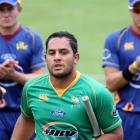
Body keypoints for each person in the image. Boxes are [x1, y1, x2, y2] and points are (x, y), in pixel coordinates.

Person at [11, 31, 123, 140]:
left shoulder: (96, 93)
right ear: (45, 58)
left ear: (76, 57)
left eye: (63, 52)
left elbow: (116, 134)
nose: (57, 57)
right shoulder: (31, 87)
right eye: (51, 53)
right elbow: (27, 119)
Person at [0, 0, 46, 139]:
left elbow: (39, 79)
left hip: (26, 113)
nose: (6, 14)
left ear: (19, 10)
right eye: (2, 10)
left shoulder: (32, 38)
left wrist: (14, 75)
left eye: (10, 9)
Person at [102, 0, 140, 140]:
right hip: (126, 117)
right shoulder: (116, 39)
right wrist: (135, 66)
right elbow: (111, 83)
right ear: (130, 10)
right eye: (137, 9)